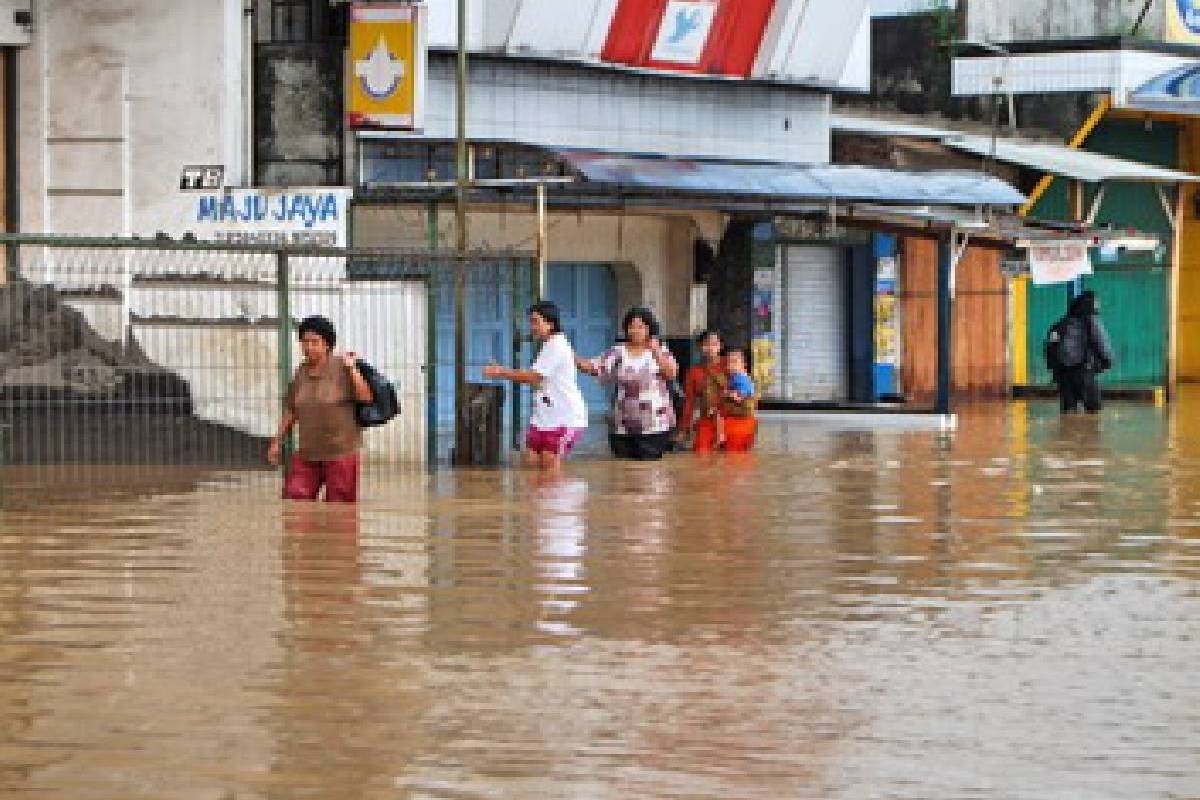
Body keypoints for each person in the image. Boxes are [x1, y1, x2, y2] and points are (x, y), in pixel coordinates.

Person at [268, 315, 374, 502]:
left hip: (340, 453)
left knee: (340, 512)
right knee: (295, 502)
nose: (308, 347)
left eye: (314, 342)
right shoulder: (301, 371)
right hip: (307, 453)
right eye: (304, 341)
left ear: (327, 344)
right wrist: (277, 440)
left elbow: (365, 397)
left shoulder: (343, 367)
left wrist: (352, 369)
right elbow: (292, 409)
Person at [483, 301, 588, 470]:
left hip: (565, 418)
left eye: (535, 321)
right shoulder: (549, 345)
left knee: (549, 464)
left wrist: (500, 371)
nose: (532, 327)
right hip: (544, 417)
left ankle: (565, 496)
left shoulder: (557, 346)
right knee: (531, 462)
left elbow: (534, 376)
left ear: (550, 323)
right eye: (531, 321)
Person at [577, 306, 679, 461]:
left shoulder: (660, 350)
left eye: (641, 327)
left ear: (649, 329)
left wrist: (656, 351)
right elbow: (593, 367)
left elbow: (671, 373)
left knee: (649, 471)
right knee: (623, 468)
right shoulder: (617, 351)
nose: (635, 331)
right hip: (622, 424)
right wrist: (569, 355)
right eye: (632, 326)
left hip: (654, 424)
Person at [1049, 290, 1114, 414]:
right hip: (1083, 371)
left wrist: (1054, 369)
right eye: (1096, 302)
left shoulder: (1062, 323)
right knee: (1095, 411)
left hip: (1063, 374)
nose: (1098, 305)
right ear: (1089, 303)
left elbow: (1050, 346)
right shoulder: (1091, 320)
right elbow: (1101, 341)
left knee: (1069, 412)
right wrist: (1108, 360)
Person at [679, 329, 728, 453]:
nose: (711, 348)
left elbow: (745, 389)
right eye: (706, 344)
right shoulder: (693, 372)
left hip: (730, 416)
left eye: (714, 344)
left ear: (721, 346)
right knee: (701, 451)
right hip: (707, 418)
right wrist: (684, 428)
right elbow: (689, 402)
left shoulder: (730, 365)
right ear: (701, 347)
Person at [717, 347, 758, 451]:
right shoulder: (734, 377)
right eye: (728, 362)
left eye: (734, 362)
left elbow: (740, 397)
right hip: (737, 422)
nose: (731, 366)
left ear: (744, 364)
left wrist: (727, 394)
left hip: (739, 422)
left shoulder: (741, 378)